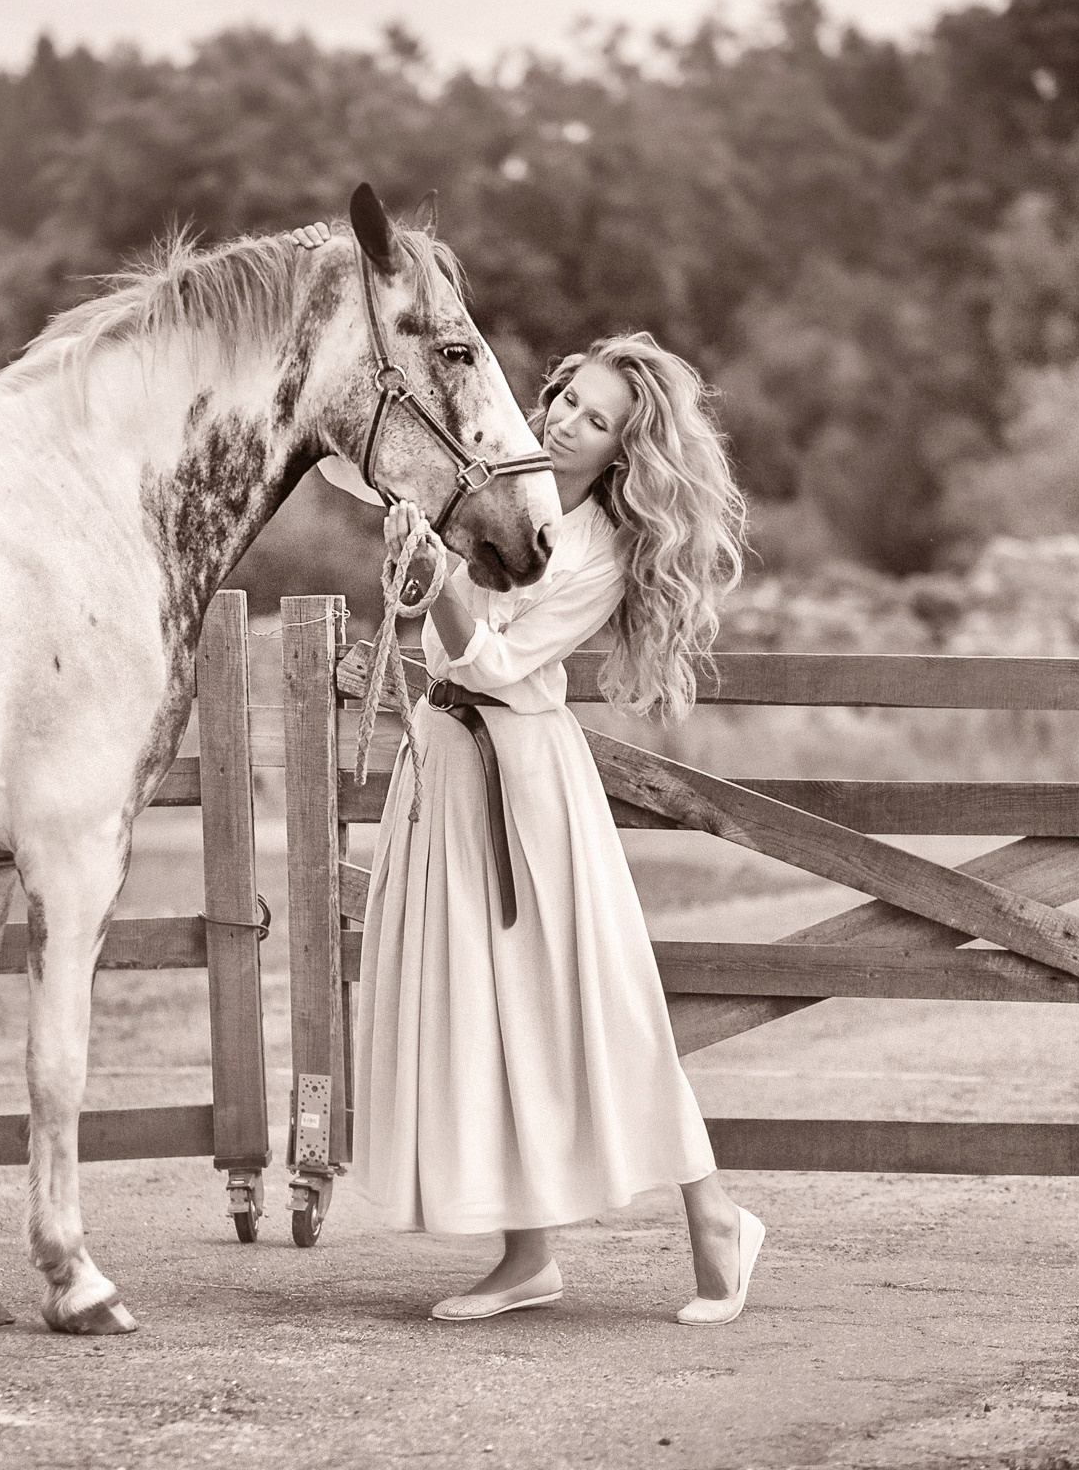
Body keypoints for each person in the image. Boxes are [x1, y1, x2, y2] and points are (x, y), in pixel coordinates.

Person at [297, 220, 759, 1325]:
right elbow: (436, 628)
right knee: (487, 1015)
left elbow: (496, 659)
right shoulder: (501, 496)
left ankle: (716, 1221)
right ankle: (527, 1257)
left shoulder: (592, 546)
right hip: (449, 769)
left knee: (591, 1011)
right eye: (565, 397)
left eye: (595, 420)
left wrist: (438, 577)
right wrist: (419, 561)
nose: (566, 420)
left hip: (523, 785)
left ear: (622, 453)